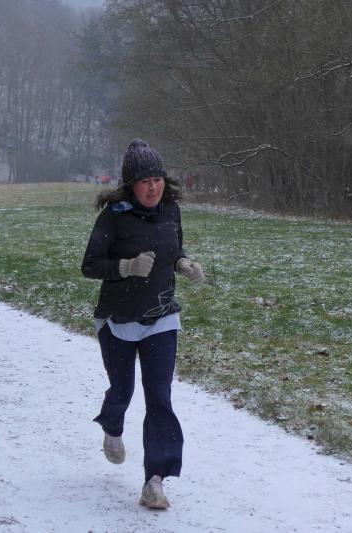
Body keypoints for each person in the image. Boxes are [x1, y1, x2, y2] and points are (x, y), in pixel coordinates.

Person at [80, 139, 205, 510]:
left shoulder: (171, 210)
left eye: (158, 179)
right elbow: (90, 265)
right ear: (131, 185)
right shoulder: (114, 216)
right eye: (145, 181)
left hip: (161, 317)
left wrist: (183, 263)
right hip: (118, 319)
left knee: (160, 397)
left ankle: (155, 481)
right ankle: (112, 427)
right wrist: (126, 267)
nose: (153, 187)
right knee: (122, 390)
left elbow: (174, 249)